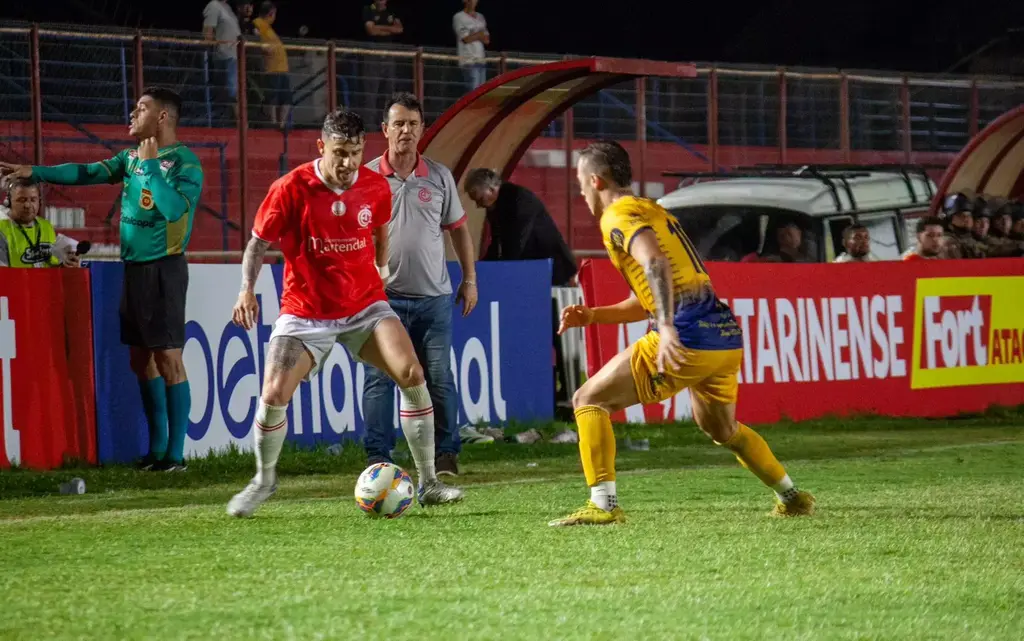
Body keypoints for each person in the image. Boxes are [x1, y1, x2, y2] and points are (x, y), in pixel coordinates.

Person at [551, 140, 814, 527]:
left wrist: (669, 328)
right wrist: (592, 316)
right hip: (723, 336)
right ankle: (792, 497)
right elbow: (647, 299)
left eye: (579, 182)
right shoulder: (651, 209)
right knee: (722, 429)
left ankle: (603, 506)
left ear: (595, 179)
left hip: (687, 334)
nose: (580, 192)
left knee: (588, 399)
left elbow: (655, 264)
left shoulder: (618, 216)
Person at [226, 108, 463, 518]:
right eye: (339, 153)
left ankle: (428, 483)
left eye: (355, 152)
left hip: (365, 305)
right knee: (273, 394)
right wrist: (246, 290)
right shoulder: (290, 188)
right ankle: (264, 480)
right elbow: (257, 243)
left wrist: (382, 269)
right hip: (306, 311)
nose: (348, 163)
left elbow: (380, 229)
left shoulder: (374, 186)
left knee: (412, 374)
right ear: (321, 147)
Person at [0, 87, 203, 472]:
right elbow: (88, 172)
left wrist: (153, 168)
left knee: (168, 357)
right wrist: (36, 171)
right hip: (134, 268)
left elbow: (175, 210)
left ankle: (176, 456)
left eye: (141, 108)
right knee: (140, 358)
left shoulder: (184, 164)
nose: (132, 113)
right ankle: (157, 451)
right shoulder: (129, 159)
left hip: (164, 268)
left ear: (162, 118)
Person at [363, 93, 479, 478]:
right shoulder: (365, 178)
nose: (406, 131)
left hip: (434, 299)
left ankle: (446, 455)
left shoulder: (440, 176)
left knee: (439, 376)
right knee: (379, 379)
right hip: (381, 301)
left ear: (422, 130)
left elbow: (460, 231)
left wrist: (470, 279)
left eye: (413, 124)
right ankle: (378, 457)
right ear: (384, 130)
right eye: (398, 124)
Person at [465, 167, 577, 287]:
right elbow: (496, 242)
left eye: (480, 199)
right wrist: (483, 267)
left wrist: (500, 269)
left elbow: (517, 241)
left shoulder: (519, 198)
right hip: (534, 268)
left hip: (552, 270)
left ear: (491, 190)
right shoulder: (496, 206)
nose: (478, 205)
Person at [0, 177, 82, 268]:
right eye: (21, 200)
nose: (28, 205)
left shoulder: (46, 226)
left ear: (39, 202)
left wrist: (65, 266)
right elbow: (3, 275)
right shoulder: (2, 230)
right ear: (8, 202)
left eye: (33, 200)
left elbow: (51, 266)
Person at [253, 1, 291, 130]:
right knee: (272, 97)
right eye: (274, 14)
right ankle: (273, 124)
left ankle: (281, 125)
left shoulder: (269, 28)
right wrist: (264, 47)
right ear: (270, 13)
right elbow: (255, 38)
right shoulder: (258, 23)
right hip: (272, 68)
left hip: (282, 69)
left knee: (286, 98)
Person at [453, 0, 489, 91]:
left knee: (482, 92)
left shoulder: (481, 17)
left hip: (481, 60)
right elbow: (465, 39)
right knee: (473, 92)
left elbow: (487, 40)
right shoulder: (459, 17)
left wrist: (474, 35)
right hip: (468, 61)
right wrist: (479, 35)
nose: (473, 2)